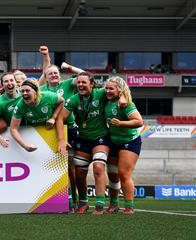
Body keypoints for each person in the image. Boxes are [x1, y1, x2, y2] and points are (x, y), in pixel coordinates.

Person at [58, 72, 110, 215]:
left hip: (100, 138)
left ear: (92, 84)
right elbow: (60, 119)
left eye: (84, 82)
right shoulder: (74, 99)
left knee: (99, 167)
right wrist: (62, 139)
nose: (80, 85)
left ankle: (100, 204)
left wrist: (123, 98)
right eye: (78, 82)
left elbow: (118, 90)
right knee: (80, 173)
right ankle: (83, 202)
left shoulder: (101, 94)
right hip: (83, 139)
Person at [39, 45, 83, 211]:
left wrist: (70, 68)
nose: (54, 75)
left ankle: (74, 199)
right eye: (50, 73)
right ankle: (56, 200)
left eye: (56, 72)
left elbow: (86, 77)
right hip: (47, 131)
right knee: (53, 167)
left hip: (68, 129)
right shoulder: (41, 90)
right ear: (46, 77)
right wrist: (46, 58)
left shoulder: (67, 85)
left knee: (70, 168)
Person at [104, 77, 144, 215]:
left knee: (123, 173)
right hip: (113, 141)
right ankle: (114, 204)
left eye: (111, 88)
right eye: (107, 88)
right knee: (112, 175)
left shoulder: (126, 104)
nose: (107, 91)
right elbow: (89, 79)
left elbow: (139, 121)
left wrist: (121, 123)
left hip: (129, 141)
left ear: (119, 90)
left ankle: (129, 206)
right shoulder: (107, 101)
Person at [10, 79, 65, 151]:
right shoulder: (20, 105)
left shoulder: (48, 96)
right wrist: (24, 145)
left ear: (35, 91)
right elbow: (13, 129)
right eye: (22, 91)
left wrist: (53, 118)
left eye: (27, 90)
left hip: (51, 130)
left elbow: (62, 101)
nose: (24, 93)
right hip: (35, 133)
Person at [0, 73, 22, 148]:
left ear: (16, 82)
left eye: (11, 80)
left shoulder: (24, 93)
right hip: (13, 134)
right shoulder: (0, 103)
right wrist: (1, 139)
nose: (9, 83)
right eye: (6, 81)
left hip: (33, 131)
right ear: (2, 86)